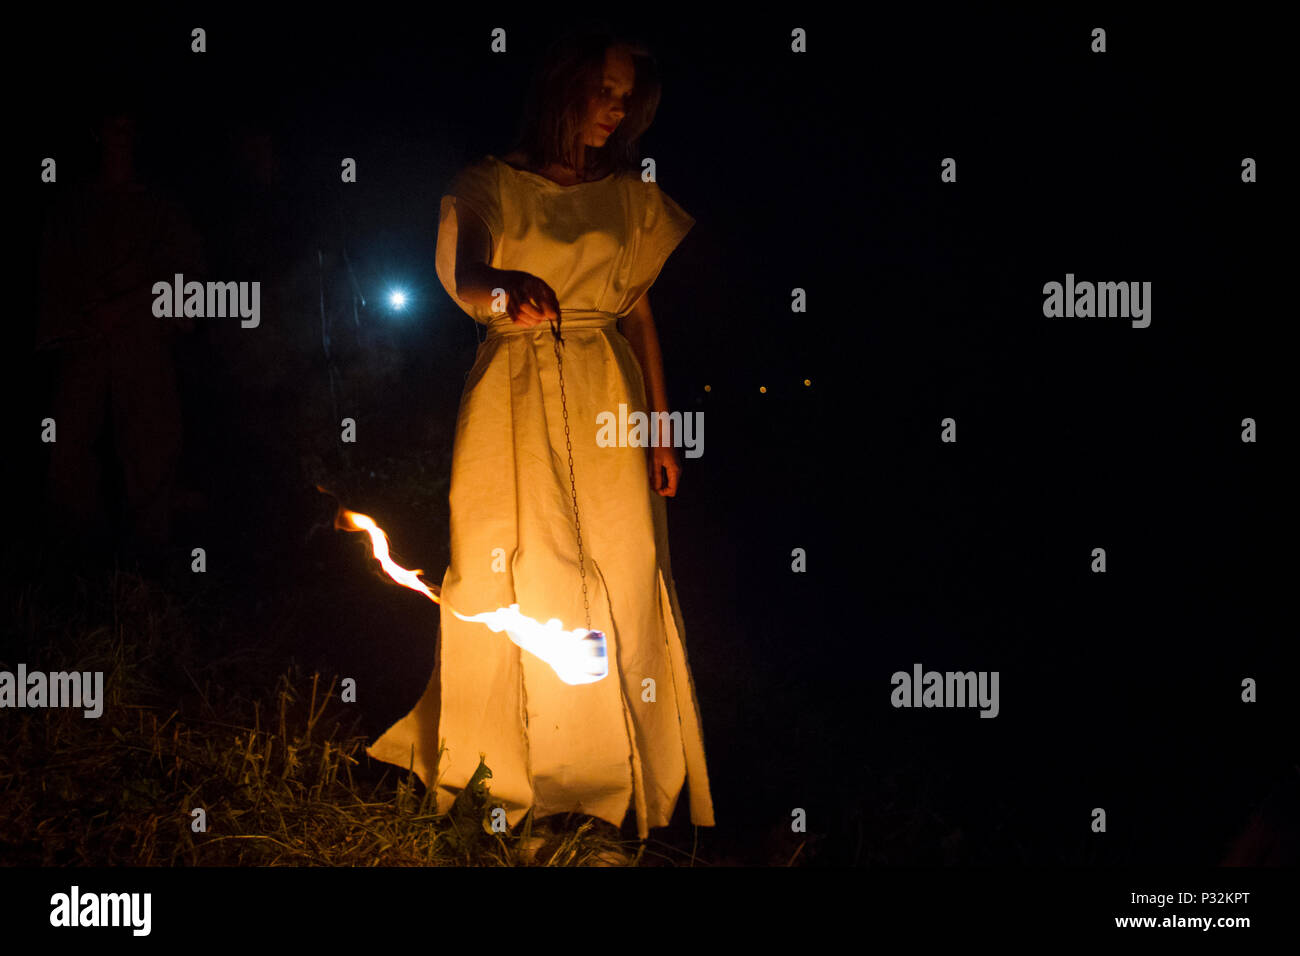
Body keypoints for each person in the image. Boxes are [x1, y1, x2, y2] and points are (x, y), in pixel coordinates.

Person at [366, 25, 715, 843]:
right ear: (564, 87)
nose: (615, 110)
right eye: (604, 90)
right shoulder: (492, 183)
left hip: (605, 392)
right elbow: (467, 272)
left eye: (628, 98)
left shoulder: (629, 194)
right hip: (514, 388)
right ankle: (510, 766)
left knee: (622, 570)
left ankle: (616, 772)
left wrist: (661, 431)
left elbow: (638, 313)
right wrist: (503, 292)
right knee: (514, 561)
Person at [37, 107, 203, 560]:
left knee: (151, 449)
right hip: (84, 343)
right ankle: (77, 559)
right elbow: (53, 272)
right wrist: (74, 319)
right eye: (113, 126)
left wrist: (128, 305)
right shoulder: (74, 207)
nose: (121, 137)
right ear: (97, 134)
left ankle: (147, 566)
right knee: (67, 449)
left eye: (130, 128)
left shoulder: (160, 207)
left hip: (143, 343)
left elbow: (185, 277)